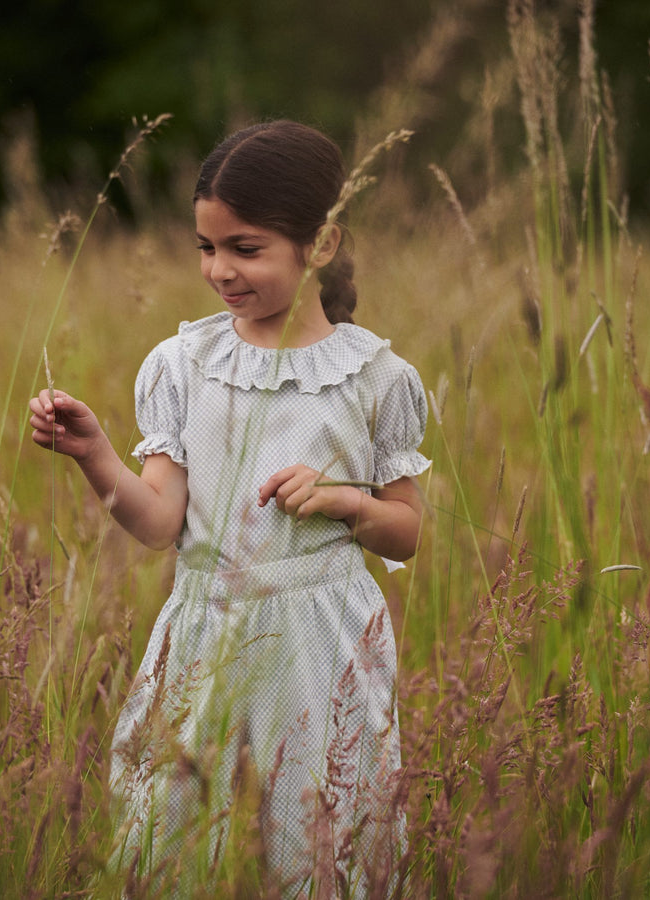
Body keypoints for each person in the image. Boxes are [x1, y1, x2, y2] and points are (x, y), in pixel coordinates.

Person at [30, 120, 430, 897]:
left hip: (325, 637)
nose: (220, 270)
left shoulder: (375, 377)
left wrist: (346, 501)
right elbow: (158, 524)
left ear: (319, 244)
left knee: (321, 830)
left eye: (245, 249)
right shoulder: (182, 364)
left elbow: (407, 532)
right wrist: (94, 454)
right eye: (207, 248)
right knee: (170, 829)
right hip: (207, 621)